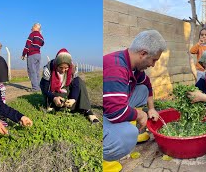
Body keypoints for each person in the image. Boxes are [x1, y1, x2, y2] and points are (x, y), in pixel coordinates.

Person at [103, 30, 166, 171]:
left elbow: (147, 85)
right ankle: (104, 156)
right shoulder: (116, 68)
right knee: (128, 135)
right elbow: (116, 112)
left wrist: (151, 109)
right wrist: (140, 114)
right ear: (143, 54)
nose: (154, 65)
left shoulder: (134, 68)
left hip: (112, 108)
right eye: (154, 60)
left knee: (142, 89)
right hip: (103, 115)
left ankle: (131, 129)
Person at [39, 48, 99, 123]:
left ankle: (87, 111)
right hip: (53, 91)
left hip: (65, 89)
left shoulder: (73, 69)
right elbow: (45, 89)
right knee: (60, 101)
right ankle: (54, 105)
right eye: (60, 67)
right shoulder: (48, 69)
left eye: (66, 68)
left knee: (80, 82)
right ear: (56, 64)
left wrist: (73, 99)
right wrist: (54, 98)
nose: (63, 70)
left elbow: (76, 86)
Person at [21, 23, 44, 92]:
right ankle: (38, 87)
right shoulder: (41, 36)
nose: (31, 28)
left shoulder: (32, 34)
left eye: (33, 27)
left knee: (31, 71)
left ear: (36, 27)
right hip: (38, 55)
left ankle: (35, 88)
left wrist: (23, 54)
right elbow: (42, 43)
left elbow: (27, 44)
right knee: (37, 71)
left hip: (31, 54)